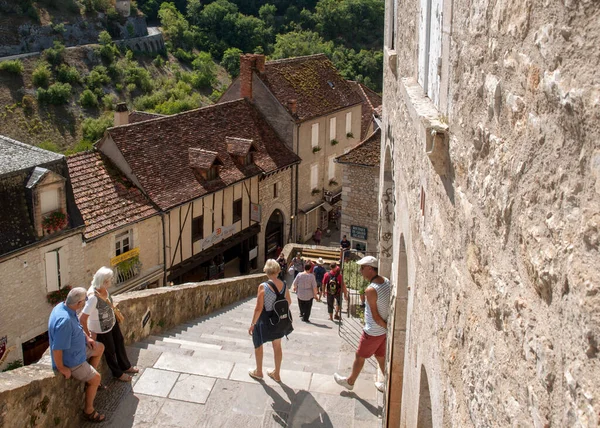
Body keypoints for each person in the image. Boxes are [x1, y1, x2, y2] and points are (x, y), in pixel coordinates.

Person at [48, 287, 106, 423]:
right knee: (97, 379)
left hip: (79, 349)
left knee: (100, 348)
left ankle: (89, 380)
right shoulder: (65, 321)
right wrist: (62, 368)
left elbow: (78, 326)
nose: (85, 302)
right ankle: (89, 411)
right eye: (84, 300)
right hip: (72, 360)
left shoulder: (65, 307)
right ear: (79, 303)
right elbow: (57, 348)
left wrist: (87, 338)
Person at [334, 256, 391, 393]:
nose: (360, 271)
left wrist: (387, 328)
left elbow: (376, 316)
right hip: (381, 332)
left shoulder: (371, 290)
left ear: (370, 269)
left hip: (373, 331)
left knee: (360, 356)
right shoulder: (386, 281)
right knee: (380, 356)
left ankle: (350, 382)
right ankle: (389, 385)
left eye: (362, 268)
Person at [80, 267, 138, 383]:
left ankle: (125, 366)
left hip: (112, 322)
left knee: (119, 341)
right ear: (104, 281)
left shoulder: (103, 289)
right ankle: (118, 373)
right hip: (102, 328)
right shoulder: (93, 297)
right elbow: (83, 318)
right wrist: (88, 335)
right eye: (110, 279)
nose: (112, 281)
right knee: (110, 351)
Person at [248, 259, 292, 382]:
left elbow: (258, 308)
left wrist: (252, 324)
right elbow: (289, 301)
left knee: (258, 344)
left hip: (264, 320)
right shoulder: (284, 285)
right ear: (278, 271)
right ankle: (276, 374)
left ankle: (259, 371)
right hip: (277, 320)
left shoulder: (263, 286)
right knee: (277, 346)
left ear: (266, 271)